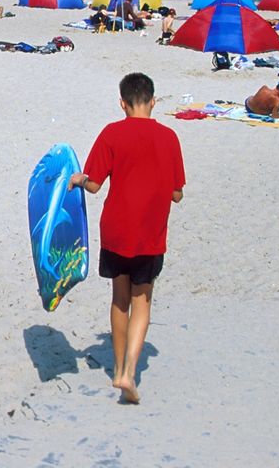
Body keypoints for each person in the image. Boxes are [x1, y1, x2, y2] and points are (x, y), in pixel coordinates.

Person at [67, 72, 185, 405]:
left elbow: (93, 185)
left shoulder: (112, 133)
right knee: (142, 300)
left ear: (122, 103)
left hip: (116, 228)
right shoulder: (169, 137)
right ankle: (129, 372)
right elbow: (177, 194)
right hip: (150, 231)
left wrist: (77, 177)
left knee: (119, 298)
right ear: (153, 101)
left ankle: (117, 367)